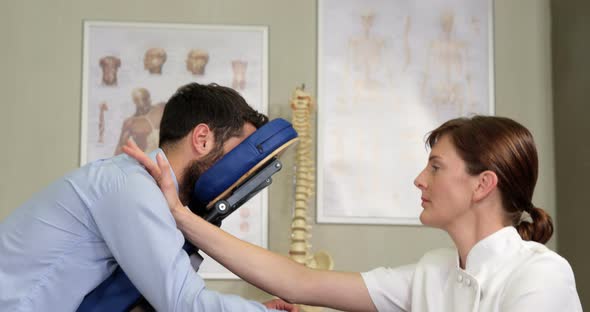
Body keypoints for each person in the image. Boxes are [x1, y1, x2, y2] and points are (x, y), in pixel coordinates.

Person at [125, 115, 583, 312]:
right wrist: (183, 217)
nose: (420, 180)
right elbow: (298, 282)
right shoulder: (431, 276)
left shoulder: (542, 276)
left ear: (483, 185)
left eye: (436, 167)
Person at [0, 82, 298, 312]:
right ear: (202, 139)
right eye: (240, 153)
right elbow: (183, 303)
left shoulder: (154, 195)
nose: (241, 173)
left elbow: (156, 298)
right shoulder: (132, 186)